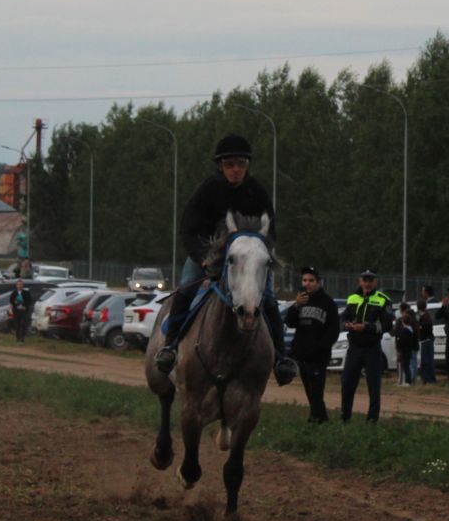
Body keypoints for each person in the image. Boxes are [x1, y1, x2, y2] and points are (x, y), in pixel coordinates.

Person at [153, 134, 292, 384]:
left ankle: (281, 358)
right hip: (209, 255)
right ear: (221, 166)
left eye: (240, 164)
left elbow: (271, 230)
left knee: (269, 298)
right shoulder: (207, 190)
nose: (236, 169)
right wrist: (201, 258)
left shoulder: (257, 191)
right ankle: (170, 347)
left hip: (246, 259)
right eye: (230, 165)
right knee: (184, 290)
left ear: (247, 165)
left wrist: (260, 255)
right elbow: (187, 228)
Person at [284, 267, 340, 422]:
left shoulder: (327, 303)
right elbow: (290, 322)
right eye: (304, 280)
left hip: (318, 356)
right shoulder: (301, 301)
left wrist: (320, 347)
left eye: (311, 280)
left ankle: (318, 420)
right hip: (302, 354)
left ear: (318, 282)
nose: (307, 284)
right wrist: (295, 306)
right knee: (310, 391)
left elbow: (333, 330)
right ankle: (318, 419)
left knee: (316, 391)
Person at [339, 270, 392, 422]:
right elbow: (343, 316)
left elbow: (388, 325)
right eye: (365, 280)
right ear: (360, 281)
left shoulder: (383, 300)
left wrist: (367, 328)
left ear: (375, 282)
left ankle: (372, 420)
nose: (367, 283)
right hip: (354, 347)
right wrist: (346, 324)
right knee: (347, 383)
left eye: (370, 280)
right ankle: (345, 417)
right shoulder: (352, 298)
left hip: (372, 348)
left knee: (374, 386)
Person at [416, 285, 438, 384]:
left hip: (426, 340)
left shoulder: (425, 316)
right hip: (426, 340)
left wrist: (420, 328)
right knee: (427, 360)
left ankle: (428, 378)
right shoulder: (425, 315)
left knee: (426, 360)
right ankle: (428, 378)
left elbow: (425, 327)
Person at [393, 304, 418, 386]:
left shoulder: (405, 331)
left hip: (404, 350)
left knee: (405, 366)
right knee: (409, 365)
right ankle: (410, 380)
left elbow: (400, 339)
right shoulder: (412, 329)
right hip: (409, 349)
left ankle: (407, 381)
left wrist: (398, 345)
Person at [9, 279, 32, 343]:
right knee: (17, 325)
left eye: (21, 284)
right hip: (16, 311)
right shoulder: (14, 293)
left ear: (23, 285)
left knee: (23, 324)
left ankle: (22, 338)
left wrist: (25, 306)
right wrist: (15, 303)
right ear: (16, 285)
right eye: (18, 284)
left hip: (23, 311)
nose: (20, 286)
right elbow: (11, 301)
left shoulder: (26, 293)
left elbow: (29, 301)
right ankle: (18, 338)